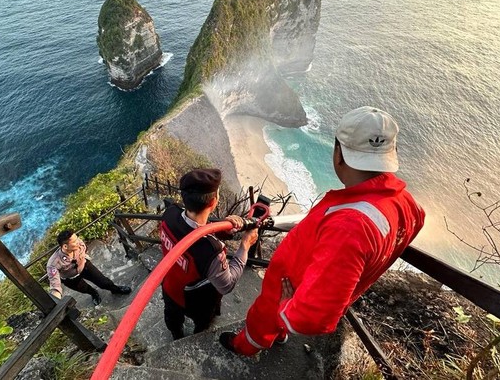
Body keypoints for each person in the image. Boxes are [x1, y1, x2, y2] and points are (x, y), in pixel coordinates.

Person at [219, 106, 426, 355]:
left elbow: (312, 317)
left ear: (338, 153)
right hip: (309, 284)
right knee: (276, 322)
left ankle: (245, 347)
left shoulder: (350, 225)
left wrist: (287, 308)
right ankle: (280, 333)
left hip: (290, 287)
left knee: (261, 322)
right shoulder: (409, 207)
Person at [160, 168, 259, 340]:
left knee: (172, 318)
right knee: (203, 321)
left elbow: (191, 232)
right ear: (214, 202)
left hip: (169, 285)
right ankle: (197, 337)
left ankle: (176, 336)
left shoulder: (170, 214)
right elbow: (226, 285)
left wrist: (224, 228)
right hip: (196, 300)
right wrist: (245, 245)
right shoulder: (211, 251)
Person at [47, 230, 131, 305]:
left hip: (84, 265)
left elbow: (84, 247)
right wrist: (56, 300)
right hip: (70, 278)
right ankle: (94, 293)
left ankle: (115, 289)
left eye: (77, 238)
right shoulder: (53, 263)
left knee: (103, 281)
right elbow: (55, 285)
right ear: (65, 246)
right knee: (84, 289)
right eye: (75, 241)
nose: (78, 241)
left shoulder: (78, 243)